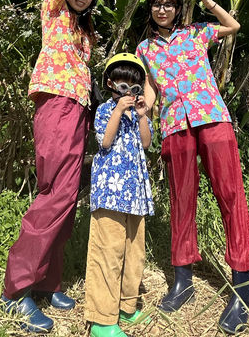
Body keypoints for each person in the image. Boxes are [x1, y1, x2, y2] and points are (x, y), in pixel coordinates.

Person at [1, 0, 100, 334]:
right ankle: (16, 290)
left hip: (77, 110)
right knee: (52, 194)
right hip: (55, 103)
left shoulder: (85, 35)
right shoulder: (55, 12)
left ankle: (48, 282)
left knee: (67, 196)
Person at [136, 0, 249, 335]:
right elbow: (152, 90)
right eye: (157, 3)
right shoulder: (144, 49)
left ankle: (242, 288)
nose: (162, 9)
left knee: (230, 195)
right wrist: (143, 109)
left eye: (168, 3)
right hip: (174, 125)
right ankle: (183, 279)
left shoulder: (197, 32)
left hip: (211, 116)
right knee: (181, 200)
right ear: (151, 9)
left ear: (178, 8)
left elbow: (233, 27)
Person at [84, 53, 154, 337]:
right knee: (107, 251)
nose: (127, 91)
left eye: (133, 86)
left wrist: (141, 116)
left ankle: (127, 306)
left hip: (135, 193)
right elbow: (105, 140)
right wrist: (117, 110)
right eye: (121, 85)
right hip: (109, 192)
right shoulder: (103, 109)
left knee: (133, 253)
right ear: (111, 84)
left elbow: (147, 143)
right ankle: (102, 319)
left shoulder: (137, 114)